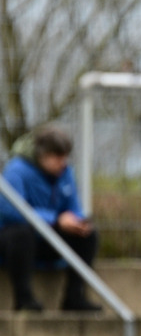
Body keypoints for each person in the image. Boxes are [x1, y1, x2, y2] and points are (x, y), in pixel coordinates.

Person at [0, 125, 101, 312]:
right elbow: (11, 211)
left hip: (48, 238)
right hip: (14, 241)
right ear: (42, 155)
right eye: (57, 157)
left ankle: (74, 298)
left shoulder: (66, 172)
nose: (63, 162)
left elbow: (74, 207)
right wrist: (55, 219)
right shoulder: (16, 170)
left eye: (65, 157)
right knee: (20, 235)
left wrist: (77, 221)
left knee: (88, 235)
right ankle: (24, 300)